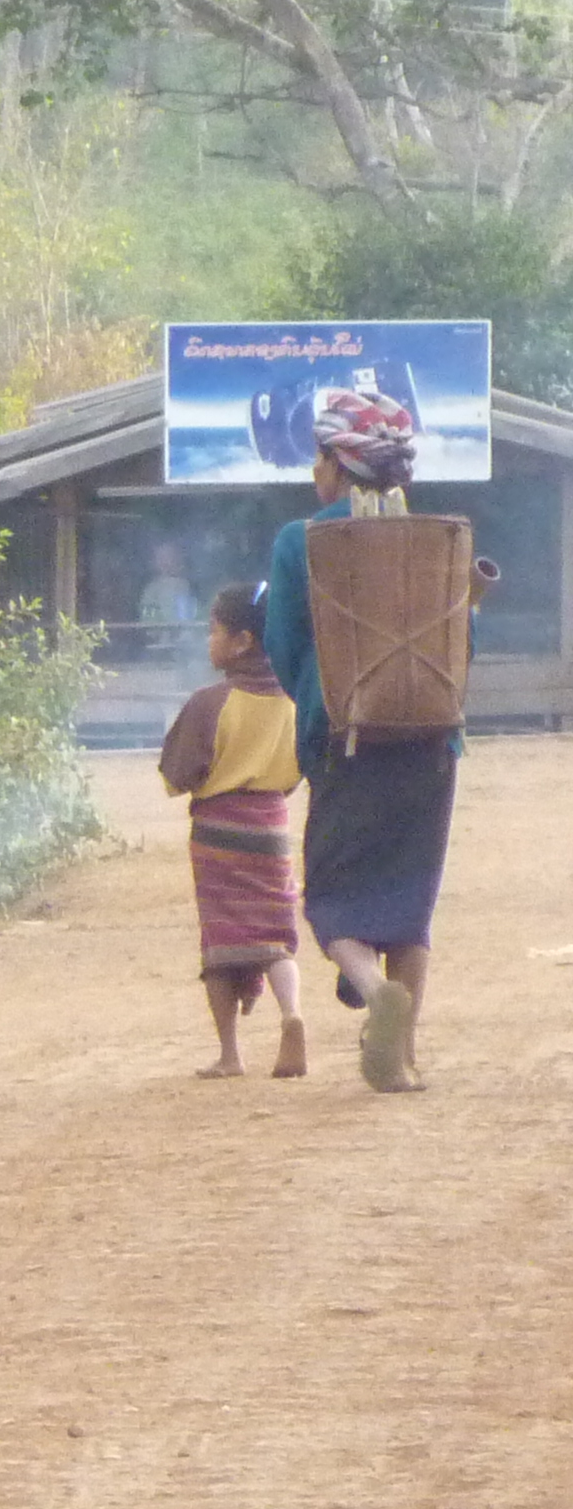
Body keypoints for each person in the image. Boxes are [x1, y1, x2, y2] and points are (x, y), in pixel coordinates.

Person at [262, 387, 455, 1093]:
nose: (313, 472)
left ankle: (374, 993)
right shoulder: (439, 536)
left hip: (342, 735)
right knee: (411, 903)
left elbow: (284, 647)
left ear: (339, 465)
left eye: (317, 457)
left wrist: (317, 700)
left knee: (333, 901)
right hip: (434, 745)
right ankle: (402, 1062)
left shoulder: (301, 541)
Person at [161, 582, 307, 1079]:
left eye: (214, 630)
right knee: (274, 935)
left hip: (218, 832)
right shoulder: (290, 699)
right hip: (272, 826)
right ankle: (293, 1015)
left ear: (242, 640)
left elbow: (178, 776)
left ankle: (230, 1054)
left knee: (221, 942)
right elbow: (297, 768)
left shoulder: (211, 702)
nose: (209, 641)